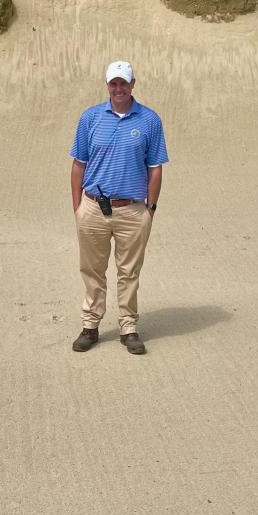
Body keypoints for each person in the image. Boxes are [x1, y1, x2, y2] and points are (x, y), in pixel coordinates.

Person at [69, 61, 168, 355]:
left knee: (129, 272)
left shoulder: (149, 121)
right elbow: (78, 165)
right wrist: (78, 207)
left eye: (123, 83)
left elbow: (155, 168)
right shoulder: (91, 118)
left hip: (132, 211)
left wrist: (149, 209)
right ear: (107, 85)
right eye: (114, 83)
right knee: (92, 269)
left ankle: (128, 327)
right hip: (93, 209)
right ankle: (90, 325)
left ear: (133, 83)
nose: (119, 89)